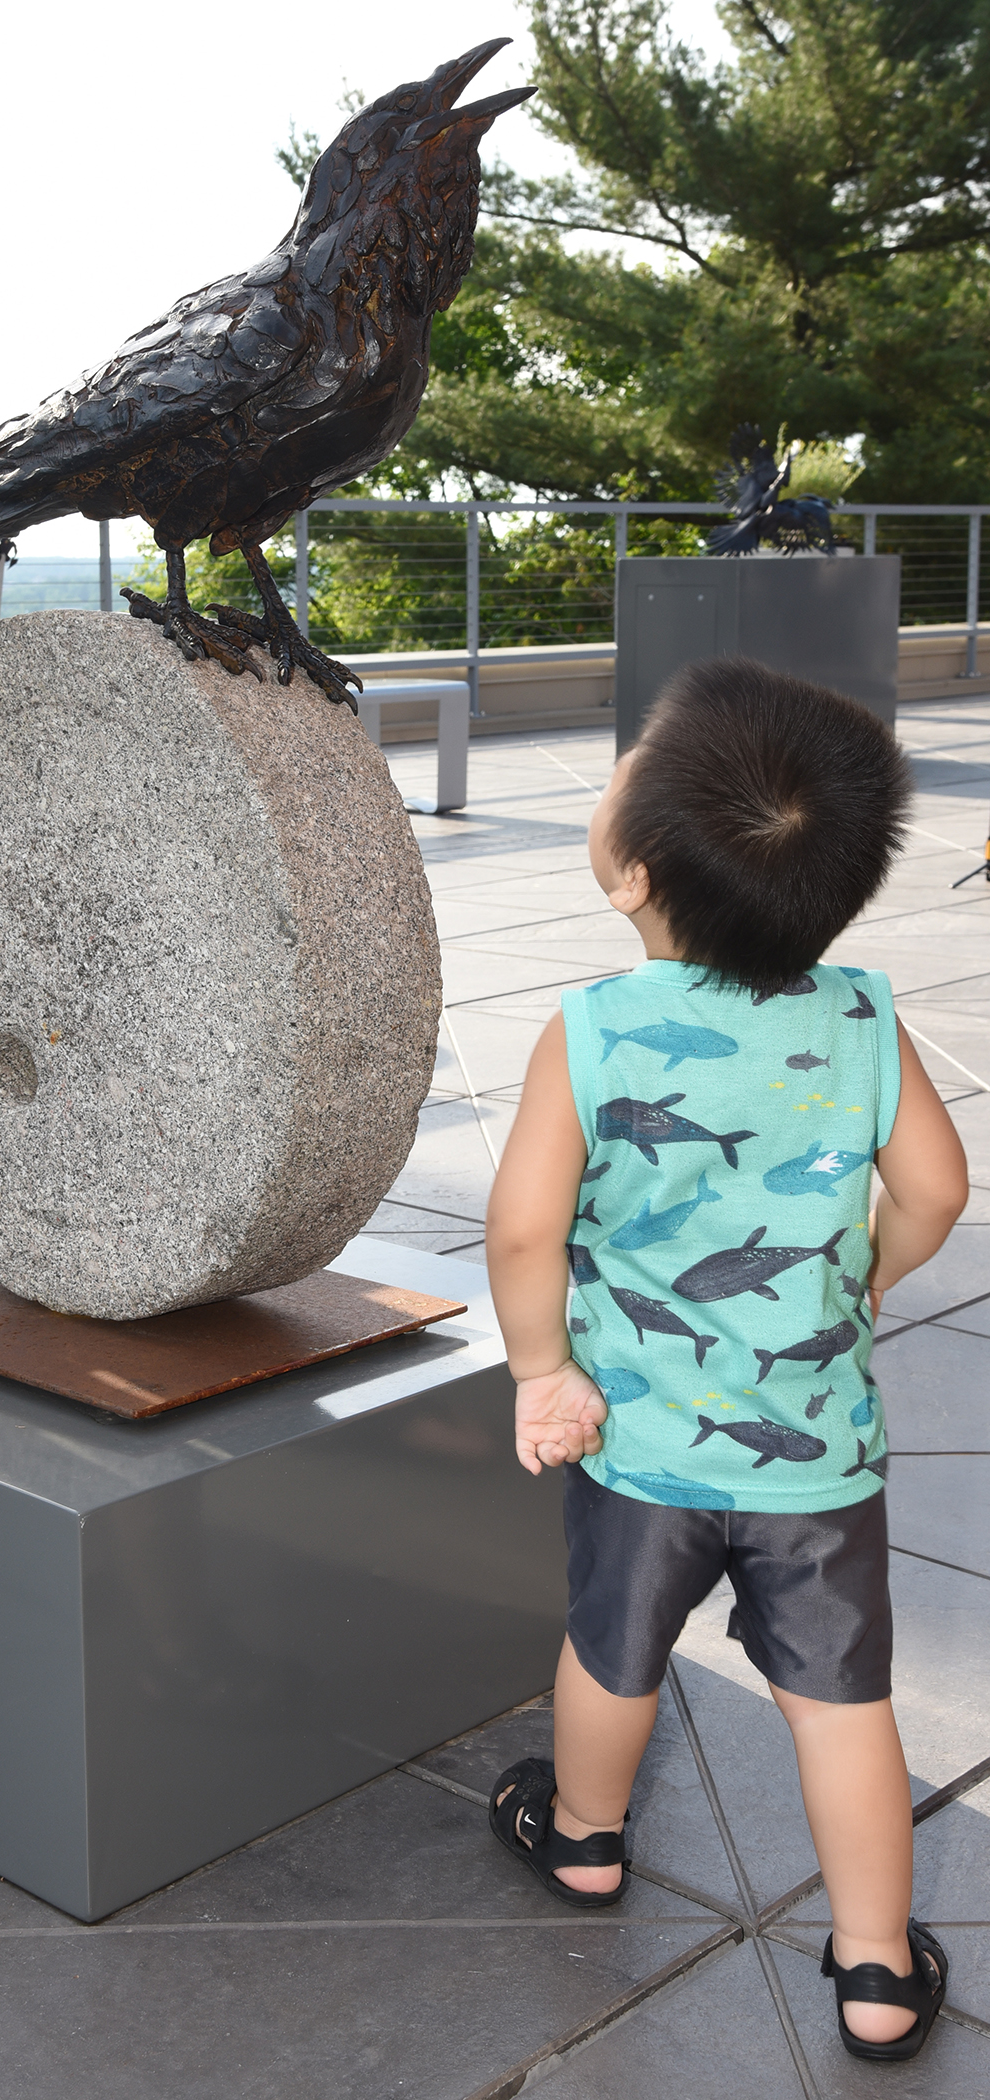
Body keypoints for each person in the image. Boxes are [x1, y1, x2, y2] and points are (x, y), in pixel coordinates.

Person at [483, 658, 967, 2064]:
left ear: (628, 869)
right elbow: (939, 1189)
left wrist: (540, 1370)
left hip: (637, 1442)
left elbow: (522, 1228)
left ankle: (582, 1837)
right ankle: (877, 1967)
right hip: (812, 1455)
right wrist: (864, 1269)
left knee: (610, 1654)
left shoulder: (593, 1033)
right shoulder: (868, 1018)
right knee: (842, 1702)